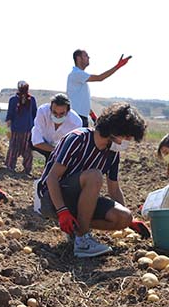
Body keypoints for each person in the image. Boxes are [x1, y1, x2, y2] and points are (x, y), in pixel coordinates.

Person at [36, 102, 150, 258]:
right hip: (54, 198)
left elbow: (114, 190)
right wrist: (62, 211)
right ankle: (82, 240)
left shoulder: (112, 153)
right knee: (94, 176)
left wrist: (130, 221)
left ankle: (77, 229)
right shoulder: (78, 139)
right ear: (114, 130)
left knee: (123, 216)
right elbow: (52, 178)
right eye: (127, 136)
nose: (128, 141)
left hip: (82, 202)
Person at [66, 50, 132, 127]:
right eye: (86, 56)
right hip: (77, 118)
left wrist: (92, 116)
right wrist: (118, 66)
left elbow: (80, 100)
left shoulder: (80, 76)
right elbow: (100, 78)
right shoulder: (76, 74)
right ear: (78, 58)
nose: (88, 57)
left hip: (81, 117)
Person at [31, 93, 82, 161]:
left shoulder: (76, 122)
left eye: (61, 114)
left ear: (67, 111)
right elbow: (36, 141)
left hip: (61, 150)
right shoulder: (42, 112)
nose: (57, 116)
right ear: (50, 108)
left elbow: (72, 147)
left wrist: (58, 152)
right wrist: (54, 149)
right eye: (54, 112)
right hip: (42, 143)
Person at [5, 80, 37, 174]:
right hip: (22, 129)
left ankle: (12, 167)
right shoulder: (15, 100)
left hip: (22, 129)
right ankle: (21, 169)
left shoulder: (31, 100)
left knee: (20, 149)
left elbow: (34, 114)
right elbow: (35, 114)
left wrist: (8, 128)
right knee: (22, 149)